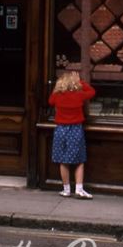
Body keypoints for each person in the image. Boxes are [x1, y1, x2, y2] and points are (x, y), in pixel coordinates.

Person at [49, 70, 96, 199]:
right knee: (79, 160)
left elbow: (50, 101)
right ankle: (79, 189)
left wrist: (58, 87)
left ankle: (66, 189)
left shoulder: (58, 95)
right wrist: (80, 81)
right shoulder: (79, 94)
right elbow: (92, 92)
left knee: (63, 160)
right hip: (75, 129)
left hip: (60, 130)